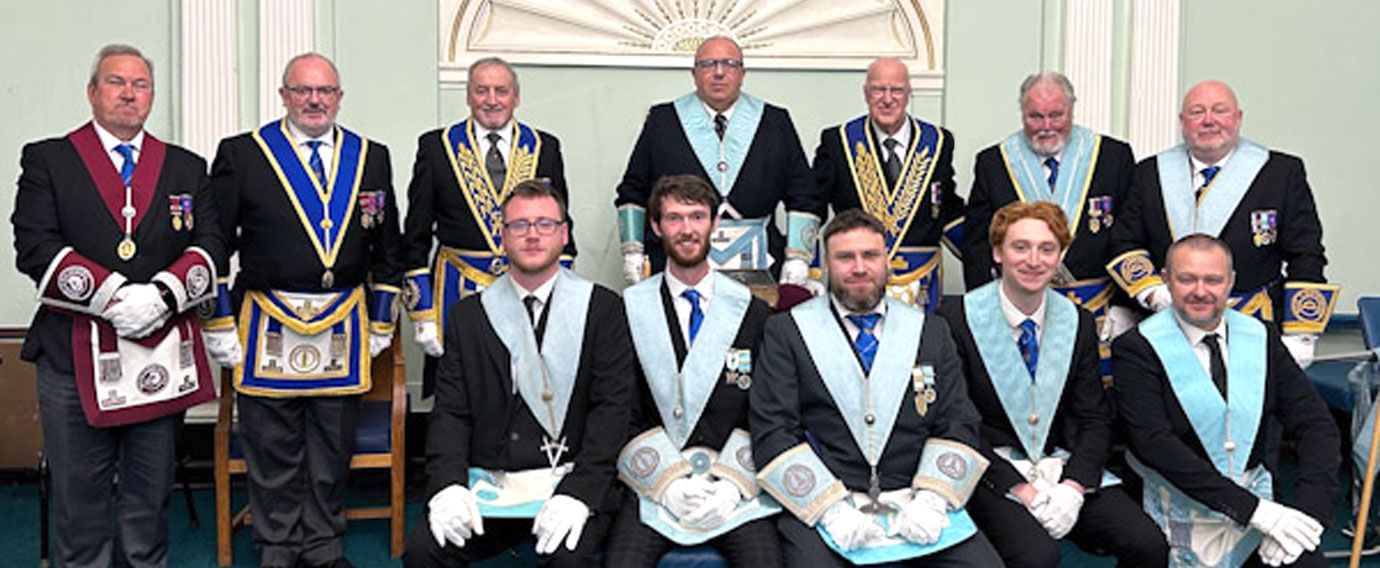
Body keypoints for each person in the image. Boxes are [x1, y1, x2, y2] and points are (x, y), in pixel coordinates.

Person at [12, 43, 224, 568]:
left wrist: (162, 295)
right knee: (80, 504)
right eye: (116, 82)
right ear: (92, 92)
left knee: (148, 502)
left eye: (140, 85)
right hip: (71, 356)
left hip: (158, 351)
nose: (128, 94)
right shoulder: (49, 159)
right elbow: (34, 246)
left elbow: (212, 243)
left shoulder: (185, 166)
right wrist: (112, 297)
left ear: (151, 96)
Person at [209, 52, 403, 568]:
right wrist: (219, 321)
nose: (314, 100)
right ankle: (277, 547)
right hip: (267, 319)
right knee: (272, 448)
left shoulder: (371, 156)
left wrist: (382, 318)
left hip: (344, 322)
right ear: (283, 95)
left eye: (325, 91)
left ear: (339, 97)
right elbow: (213, 247)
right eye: (302, 91)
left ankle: (322, 546)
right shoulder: (244, 154)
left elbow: (388, 247)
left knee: (330, 448)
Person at [749, 209, 1001, 566]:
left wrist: (932, 498)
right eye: (845, 257)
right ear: (825, 264)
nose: (859, 268)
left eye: (870, 255)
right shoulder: (787, 332)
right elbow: (773, 430)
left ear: (887, 262)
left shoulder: (931, 331)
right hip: (829, 500)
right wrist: (830, 509)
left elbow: (958, 420)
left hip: (914, 497)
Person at [404, 180, 634, 567]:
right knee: (423, 552)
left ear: (563, 234)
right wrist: (447, 487)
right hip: (492, 486)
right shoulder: (469, 315)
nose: (532, 235)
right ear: (503, 237)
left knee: (568, 561)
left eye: (545, 224)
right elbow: (451, 413)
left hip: (568, 484)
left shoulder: (602, 310)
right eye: (520, 225)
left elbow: (612, 411)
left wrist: (579, 493)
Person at [938, 201, 1166, 567]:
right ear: (997, 253)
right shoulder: (954, 319)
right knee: (1036, 556)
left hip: (1061, 469)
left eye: (1047, 249)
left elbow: (1094, 417)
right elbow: (957, 423)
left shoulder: (1076, 320)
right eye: (1020, 247)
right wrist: (1022, 489)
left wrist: (1074, 488)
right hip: (991, 472)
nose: (1034, 260)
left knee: (1148, 544)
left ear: (1061, 254)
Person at [1113, 234, 1339, 567]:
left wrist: (1308, 517)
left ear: (1231, 281)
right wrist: (1254, 512)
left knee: (1307, 564)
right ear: (1165, 280)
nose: (1200, 291)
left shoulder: (1261, 337)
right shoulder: (1137, 348)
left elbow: (1316, 425)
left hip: (1257, 497)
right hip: (1176, 501)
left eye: (1213, 280)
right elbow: (1154, 444)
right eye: (1186, 279)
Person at [608, 175, 781, 566]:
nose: (686, 229)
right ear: (655, 226)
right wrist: (666, 482)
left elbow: (768, 411)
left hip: (730, 485)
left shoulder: (753, 313)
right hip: (655, 484)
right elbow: (618, 408)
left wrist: (733, 486)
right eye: (673, 218)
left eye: (697, 216)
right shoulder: (628, 310)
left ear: (714, 224)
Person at [1108, 80, 1337, 369]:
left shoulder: (1280, 173)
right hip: (1166, 325)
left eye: (1220, 111)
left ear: (1238, 118)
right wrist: (1154, 293)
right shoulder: (1149, 173)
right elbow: (1124, 242)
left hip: (1251, 327)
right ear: (1182, 121)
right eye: (1197, 112)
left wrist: (1301, 333)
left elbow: (1306, 254)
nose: (1208, 121)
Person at [402, 56, 575, 396]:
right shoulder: (437, 147)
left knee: (527, 387)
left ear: (516, 97)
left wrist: (562, 302)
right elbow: (416, 234)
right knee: (459, 391)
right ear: (468, 96)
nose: (492, 100)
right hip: (457, 288)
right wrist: (423, 314)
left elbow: (562, 231)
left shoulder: (545, 146)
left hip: (528, 285)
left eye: (501, 90)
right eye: (482, 90)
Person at [964, 71, 1137, 381]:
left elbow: (1130, 235)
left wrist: (1125, 305)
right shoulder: (995, 162)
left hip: (1098, 311)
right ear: (1022, 114)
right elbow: (977, 246)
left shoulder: (1113, 156)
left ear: (1072, 110)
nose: (1046, 126)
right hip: (1022, 311)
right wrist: (985, 310)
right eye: (1035, 116)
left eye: (1056, 115)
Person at [614, 35, 820, 286]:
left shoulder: (775, 121)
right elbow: (633, 191)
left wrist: (798, 256)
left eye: (729, 64)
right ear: (694, 73)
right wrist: (633, 251)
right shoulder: (663, 120)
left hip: (762, 261)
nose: (719, 72)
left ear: (743, 73)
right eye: (708, 64)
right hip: (679, 257)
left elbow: (803, 193)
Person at [811, 57, 963, 312]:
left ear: (908, 94)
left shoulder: (937, 141)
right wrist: (808, 268)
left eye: (897, 90)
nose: (887, 98)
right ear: (866, 93)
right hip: (857, 276)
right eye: (879, 89)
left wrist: (989, 254)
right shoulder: (838, 141)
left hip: (921, 280)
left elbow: (946, 206)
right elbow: (813, 206)